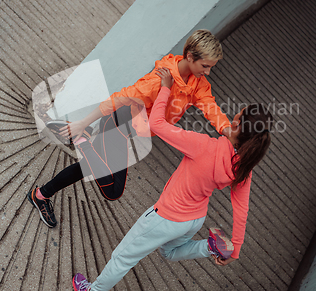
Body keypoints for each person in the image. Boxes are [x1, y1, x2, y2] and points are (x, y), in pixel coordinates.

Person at [72, 68, 273, 291]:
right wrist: (236, 249)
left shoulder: (204, 146)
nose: (233, 116)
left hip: (165, 217)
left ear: (237, 124)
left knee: (123, 257)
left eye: (237, 115)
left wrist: (166, 87)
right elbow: (241, 208)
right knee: (169, 253)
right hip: (193, 221)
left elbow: (157, 124)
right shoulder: (243, 167)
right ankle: (208, 247)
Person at [28, 30, 232, 228]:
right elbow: (121, 98)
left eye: (211, 67)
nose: (208, 72)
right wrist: (83, 123)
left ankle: (41, 194)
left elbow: (210, 107)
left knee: (91, 167)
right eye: (205, 66)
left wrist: (229, 131)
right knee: (113, 190)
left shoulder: (197, 84)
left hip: (128, 129)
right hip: (116, 123)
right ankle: (81, 140)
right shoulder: (158, 82)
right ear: (189, 56)